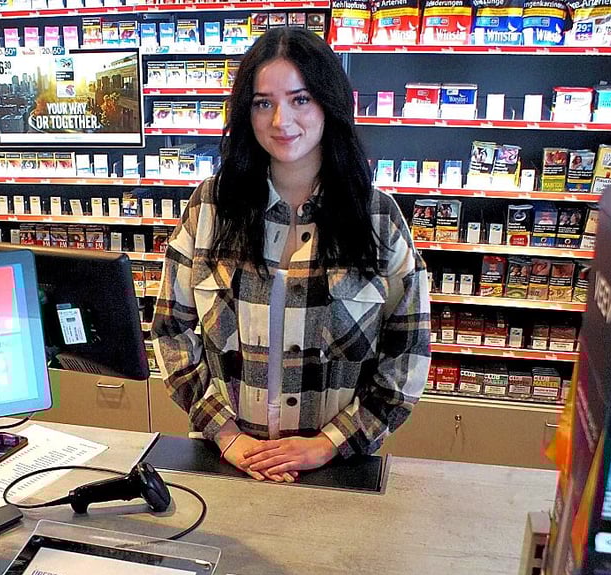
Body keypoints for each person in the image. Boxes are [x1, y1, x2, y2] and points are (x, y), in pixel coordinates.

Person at [151, 28, 431, 482]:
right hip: (227, 463)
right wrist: (227, 436)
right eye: (263, 102)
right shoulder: (209, 207)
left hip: (337, 470)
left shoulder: (377, 218)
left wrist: (329, 444)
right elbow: (171, 331)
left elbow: (408, 354)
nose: (281, 120)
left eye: (300, 99)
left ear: (329, 103)